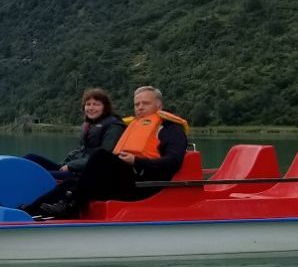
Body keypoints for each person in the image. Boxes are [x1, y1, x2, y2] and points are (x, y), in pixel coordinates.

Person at [24, 86, 189, 219]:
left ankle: (71, 206)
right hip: (126, 180)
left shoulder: (170, 129)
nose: (139, 108)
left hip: (145, 186)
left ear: (158, 105)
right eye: (136, 104)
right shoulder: (135, 126)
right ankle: (29, 210)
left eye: (145, 103)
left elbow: (173, 161)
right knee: (74, 181)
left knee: (101, 156)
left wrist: (136, 161)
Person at [23, 88, 125, 180]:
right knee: (31, 158)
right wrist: (67, 163)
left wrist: (71, 166)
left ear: (105, 107)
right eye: (88, 104)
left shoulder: (114, 126)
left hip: (87, 173)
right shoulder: (90, 124)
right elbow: (82, 150)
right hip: (74, 167)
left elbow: (104, 157)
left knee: (37, 175)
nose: (91, 108)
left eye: (96, 104)